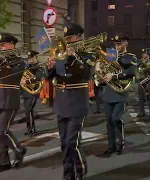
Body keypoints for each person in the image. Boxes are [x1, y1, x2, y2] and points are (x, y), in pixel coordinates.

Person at [46, 23, 95, 180]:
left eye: (70, 37)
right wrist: (50, 66)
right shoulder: (61, 54)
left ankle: (80, 170)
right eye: (66, 38)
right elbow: (50, 76)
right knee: (64, 143)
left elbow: (86, 74)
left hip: (77, 103)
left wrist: (73, 56)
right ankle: (68, 175)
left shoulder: (88, 55)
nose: (67, 40)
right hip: (62, 103)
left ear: (79, 37)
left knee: (72, 142)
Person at [0, 33, 27, 174]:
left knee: (2, 131)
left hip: (10, 99)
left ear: (11, 45)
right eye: (0, 45)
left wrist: (2, 62)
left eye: (3, 44)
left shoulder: (20, 61)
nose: (1, 47)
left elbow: (12, 75)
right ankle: (3, 162)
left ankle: (19, 149)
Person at [103, 33, 137, 155]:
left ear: (125, 43)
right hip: (109, 92)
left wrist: (114, 76)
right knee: (108, 121)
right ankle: (111, 146)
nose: (117, 46)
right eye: (116, 44)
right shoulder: (110, 55)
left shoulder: (130, 57)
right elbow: (104, 70)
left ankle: (121, 142)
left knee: (115, 118)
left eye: (119, 43)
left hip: (120, 93)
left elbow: (132, 72)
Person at [20, 50, 42, 136]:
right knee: (27, 111)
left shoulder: (39, 66)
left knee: (28, 110)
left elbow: (38, 77)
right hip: (25, 92)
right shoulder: (26, 67)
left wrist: (27, 81)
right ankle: (30, 128)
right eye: (29, 58)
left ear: (36, 57)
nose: (30, 60)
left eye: (32, 58)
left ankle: (31, 129)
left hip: (33, 92)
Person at [136, 48, 150, 117]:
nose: (143, 55)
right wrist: (138, 76)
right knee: (141, 97)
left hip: (148, 81)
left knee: (149, 97)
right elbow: (136, 70)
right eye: (143, 53)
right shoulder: (140, 61)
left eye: (145, 53)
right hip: (141, 81)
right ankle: (142, 112)